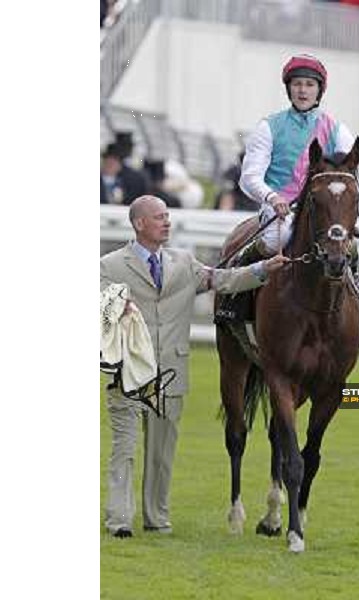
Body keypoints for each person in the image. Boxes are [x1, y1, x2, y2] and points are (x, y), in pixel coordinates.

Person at [100, 195, 289, 538]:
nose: (167, 222)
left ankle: (157, 519)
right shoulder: (110, 266)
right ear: (139, 224)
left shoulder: (183, 263)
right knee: (124, 449)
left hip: (172, 372)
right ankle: (119, 520)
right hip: (127, 371)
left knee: (162, 452)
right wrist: (116, 307)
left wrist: (263, 270)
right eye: (159, 217)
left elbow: (223, 280)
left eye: (167, 216)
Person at [218, 54, 359, 321]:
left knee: (347, 245)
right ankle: (235, 299)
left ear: (319, 90)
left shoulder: (337, 130)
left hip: (321, 211)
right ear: (289, 88)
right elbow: (249, 177)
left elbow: (356, 180)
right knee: (278, 238)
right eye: (297, 84)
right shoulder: (268, 127)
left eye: (310, 84)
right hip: (280, 209)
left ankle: (353, 286)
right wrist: (272, 197)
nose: (303, 90)